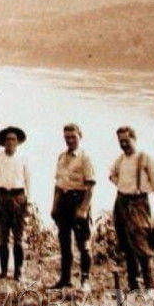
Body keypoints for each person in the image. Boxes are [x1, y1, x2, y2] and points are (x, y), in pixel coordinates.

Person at [109, 125, 154, 291]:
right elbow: (111, 174)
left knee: (141, 243)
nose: (124, 145)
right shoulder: (121, 159)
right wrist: (121, 184)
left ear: (134, 139)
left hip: (138, 202)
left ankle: (150, 287)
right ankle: (134, 285)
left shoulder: (144, 157)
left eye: (126, 141)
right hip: (121, 201)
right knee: (126, 244)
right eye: (121, 142)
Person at [49, 123, 96, 291]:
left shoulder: (85, 158)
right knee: (64, 241)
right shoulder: (61, 157)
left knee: (83, 243)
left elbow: (90, 186)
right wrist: (54, 205)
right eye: (66, 137)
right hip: (63, 200)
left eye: (73, 137)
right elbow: (58, 183)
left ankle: (85, 281)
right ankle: (65, 279)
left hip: (79, 199)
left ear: (80, 136)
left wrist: (83, 209)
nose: (69, 140)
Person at [0, 126, 30, 281]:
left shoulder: (23, 159)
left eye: (13, 139)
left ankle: (19, 272)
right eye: (7, 140)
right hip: (2, 198)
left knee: (18, 237)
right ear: (3, 142)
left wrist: (28, 201)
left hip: (18, 197)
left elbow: (28, 181)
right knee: (3, 237)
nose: (10, 142)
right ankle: (4, 271)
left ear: (17, 142)